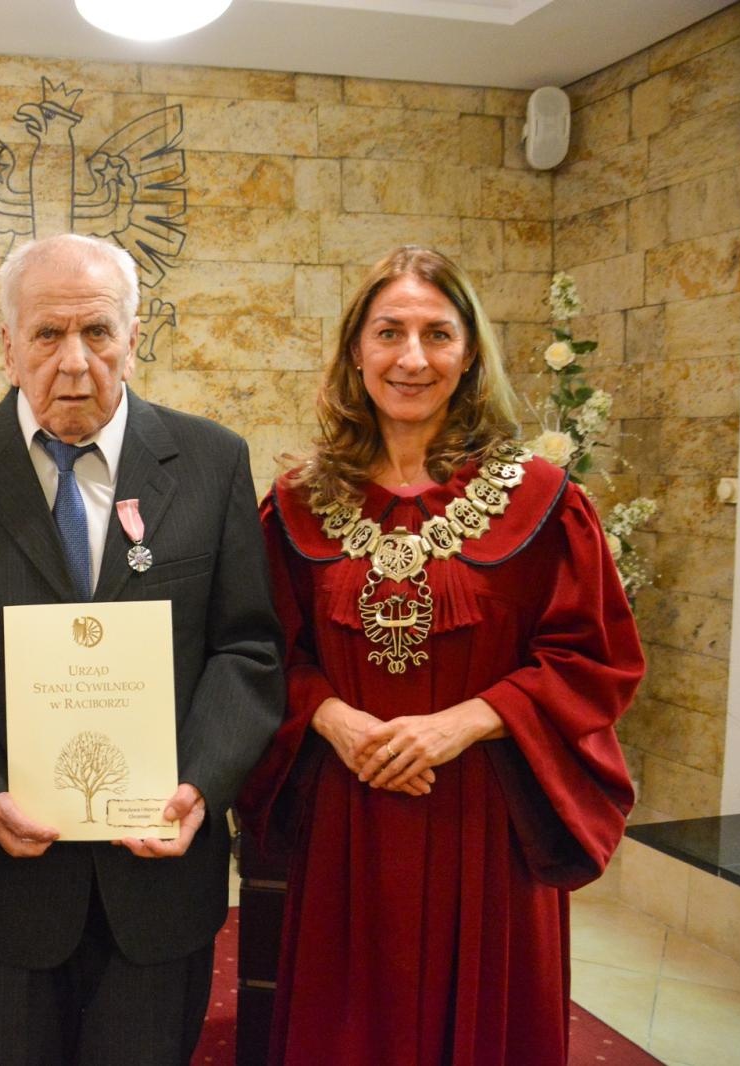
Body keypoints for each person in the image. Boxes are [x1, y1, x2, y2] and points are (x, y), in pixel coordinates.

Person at [239, 245, 645, 1065]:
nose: (412, 358)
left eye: (438, 334)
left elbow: (592, 659)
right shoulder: (293, 506)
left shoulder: (544, 503)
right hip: (347, 816)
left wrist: (461, 724)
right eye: (389, 332)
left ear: (470, 354)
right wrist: (336, 719)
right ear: (357, 350)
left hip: (486, 819)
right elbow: (259, 651)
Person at [0, 233, 284, 1066]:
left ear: (133, 340)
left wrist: (200, 786)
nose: (74, 362)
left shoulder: (212, 463)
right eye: (46, 334)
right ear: (6, 346)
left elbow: (246, 649)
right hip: (6, 885)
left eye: (97, 332)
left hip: (158, 882)